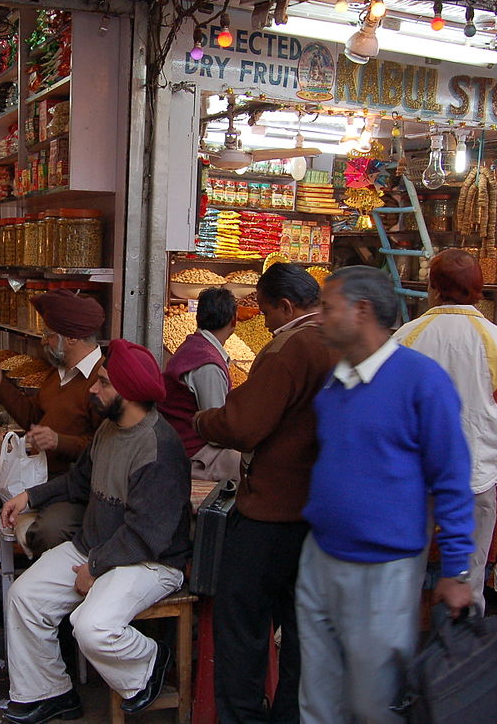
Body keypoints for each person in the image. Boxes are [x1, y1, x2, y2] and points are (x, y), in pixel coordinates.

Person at [298, 267, 475, 724]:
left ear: (361, 312)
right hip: (320, 556)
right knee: (318, 695)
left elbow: (452, 479)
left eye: (327, 306)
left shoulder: (422, 380)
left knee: (372, 702)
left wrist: (456, 569)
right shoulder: (335, 381)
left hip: (386, 567)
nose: (317, 316)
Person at [0, 339, 191, 724]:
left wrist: (96, 567)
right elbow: (79, 483)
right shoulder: (108, 429)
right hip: (99, 548)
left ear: (130, 392)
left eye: (103, 382)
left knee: (92, 626)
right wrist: (30, 496)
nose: (92, 388)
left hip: (149, 562)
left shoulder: (160, 448)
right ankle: (49, 692)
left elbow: (144, 535)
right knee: (24, 596)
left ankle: (150, 663)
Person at [192, 264, 339, 724]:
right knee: (301, 634)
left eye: (268, 311)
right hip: (321, 515)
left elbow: (243, 425)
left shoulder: (290, 347)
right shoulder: (347, 342)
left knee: (243, 628)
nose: (265, 322)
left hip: (273, 511)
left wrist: (201, 422)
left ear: (288, 306)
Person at [393, 248, 497, 612]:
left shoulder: (407, 337)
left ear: (433, 288)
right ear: (479, 290)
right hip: (475, 474)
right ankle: (460, 657)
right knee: (468, 578)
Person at [0, 289, 105, 553]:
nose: (44, 343)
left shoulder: (101, 380)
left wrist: (58, 441)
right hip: (36, 472)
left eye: (50, 336)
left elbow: (102, 448)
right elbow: (33, 418)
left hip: (71, 484)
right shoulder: (58, 374)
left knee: (49, 531)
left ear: (72, 338)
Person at [158, 286, 242, 482]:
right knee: (254, 467)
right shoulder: (208, 365)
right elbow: (216, 431)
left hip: (180, 444)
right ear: (234, 320)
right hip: (193, 454)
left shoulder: (193, 346)